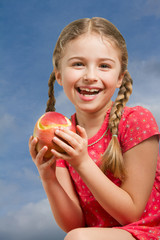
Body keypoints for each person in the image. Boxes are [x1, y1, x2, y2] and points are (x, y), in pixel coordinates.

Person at [29, 17, 160, 240]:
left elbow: (131, 214)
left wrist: (81, 163)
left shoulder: (136, 120)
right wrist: (48, 178)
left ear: (120, 78)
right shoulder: (63, 135)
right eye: (78, 64)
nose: (90, 76)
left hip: (148, 232)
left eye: (104, 66)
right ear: (59, 75)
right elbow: (74, 224)